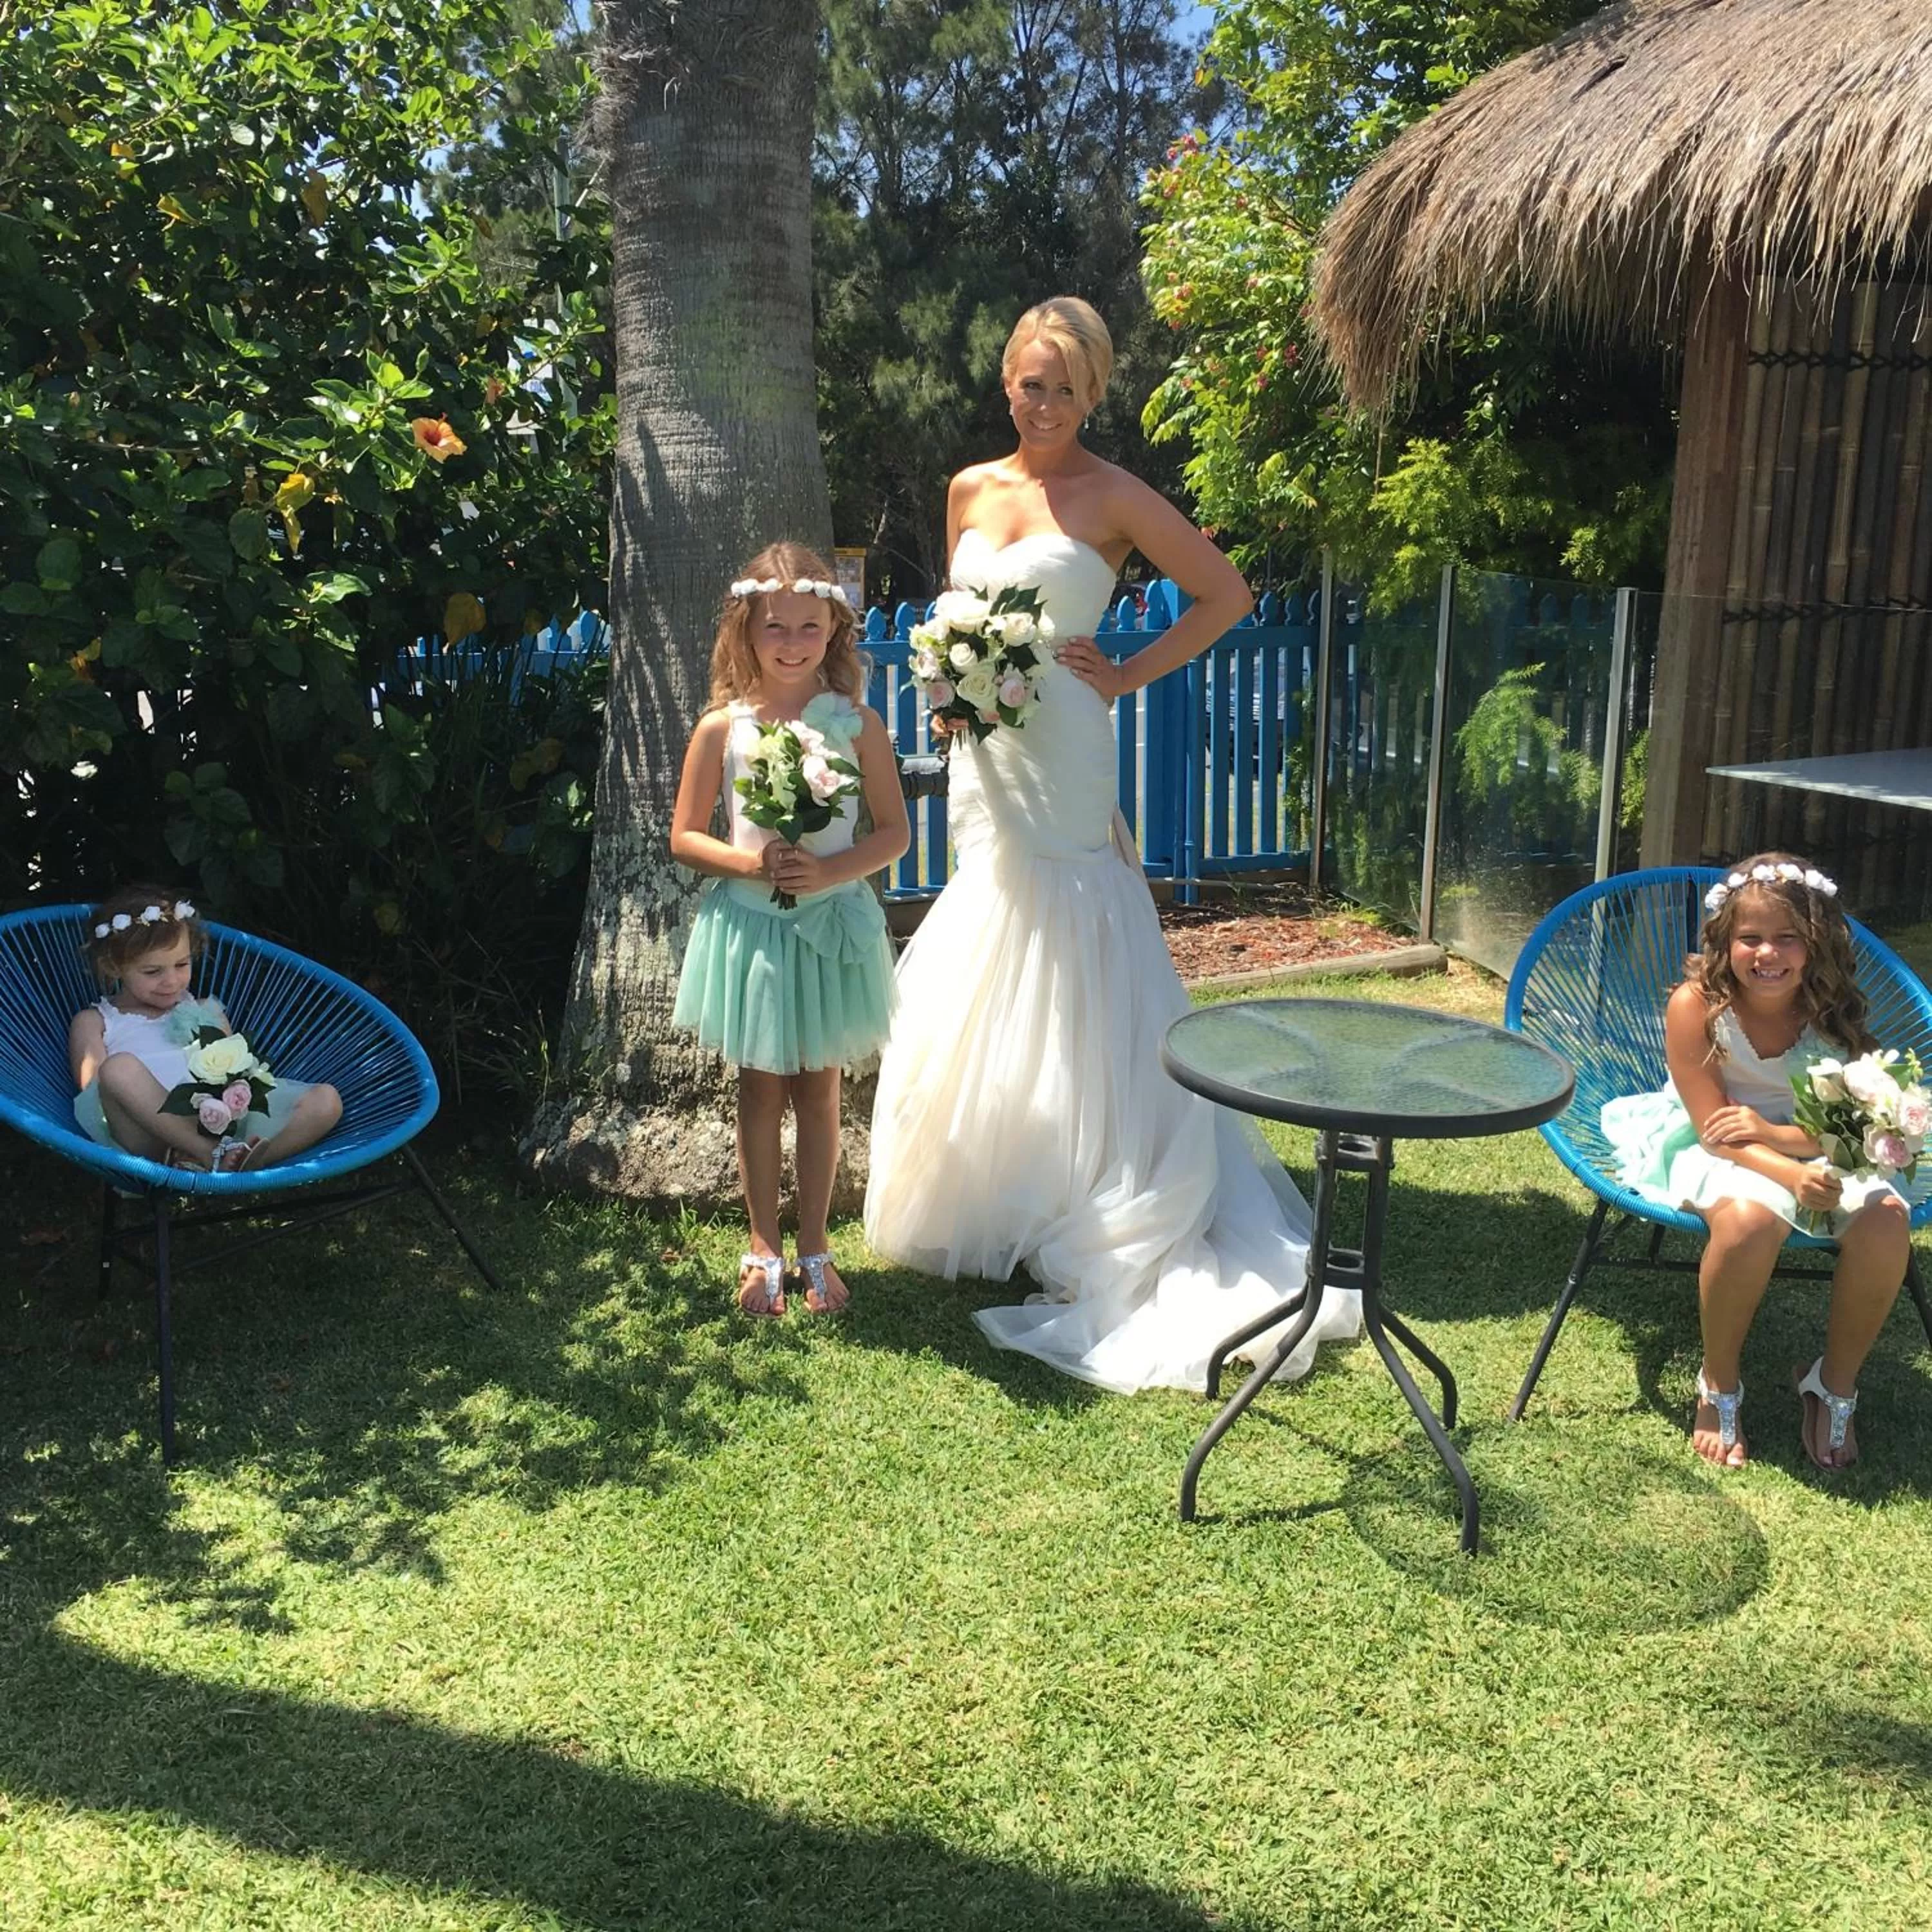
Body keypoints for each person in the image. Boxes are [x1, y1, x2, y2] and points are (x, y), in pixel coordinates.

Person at [863, 296, 1360, 1390]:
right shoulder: (968, 490)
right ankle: (997, 1182)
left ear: (1094, 395)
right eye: (1029, 383)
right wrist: (950, 694)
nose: (1043, 404)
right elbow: (959, 620)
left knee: (1078, 939)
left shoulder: (1116, 495)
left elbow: (1225, 594)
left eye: (1065, 388)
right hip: (989, 761)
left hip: (1072, 753)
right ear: (1007, 382)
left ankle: (1101, 1178)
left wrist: (1128, 673)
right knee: (990, 933)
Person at [1602, 855, 1915, 1470]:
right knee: (1748, 1221)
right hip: (1718, 1141)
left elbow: (1858, 1115)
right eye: (1750, 938)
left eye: (1787, 938)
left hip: (1811, 1139)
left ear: (1817, 943)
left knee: (1886, 1221)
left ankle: (1834, 1384)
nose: (1767, 954)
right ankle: (1719, 1381)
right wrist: (1790, 1174)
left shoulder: (1834, 1007)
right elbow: (1714, 1129)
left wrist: (1794, 1144)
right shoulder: (1697, 1005)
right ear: (1725, 939)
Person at [670, 541, 910, 1318]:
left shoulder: (857, 724)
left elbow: (892, 833)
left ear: (834, 633)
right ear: (746, 631)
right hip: (755, 933)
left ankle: (816, 1246)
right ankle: (762, 1246)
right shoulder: (724, 728)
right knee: (760, 1089)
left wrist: (829, 872)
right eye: (776, 628)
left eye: (811, 627)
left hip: (832, 927)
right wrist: (753, 867)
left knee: (821, 1092)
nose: (793, 643)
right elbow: (686, 836)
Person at [70, 887, 343, 1172]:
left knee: (327, 1102)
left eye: (182, 964)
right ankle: (207, 1154)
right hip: (149, 1138)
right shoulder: (97, 1020)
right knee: (118, 1069)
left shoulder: (205, 1009)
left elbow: (236, 1071)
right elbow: (94, 1097)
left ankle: (237, 1161)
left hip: (220, 1122)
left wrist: (231, 1101)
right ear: (114, 967)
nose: (172, 981)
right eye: (153, 972)